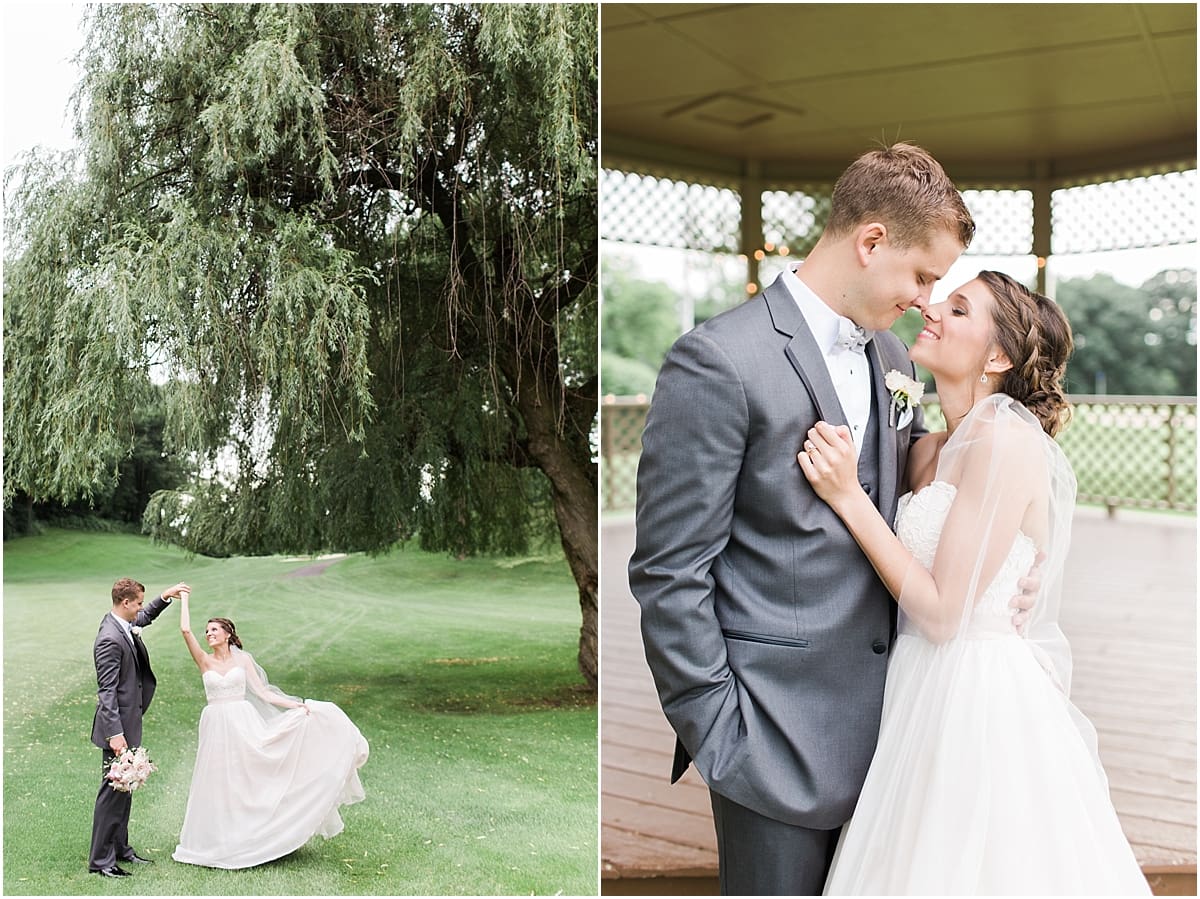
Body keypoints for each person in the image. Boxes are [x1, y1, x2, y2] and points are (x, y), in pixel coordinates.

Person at [628, 143, 1039, 895]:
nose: (924, 300)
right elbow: (668, 570)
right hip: (772, 740)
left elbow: (931, 486)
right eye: (921, 275)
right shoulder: (719, 359)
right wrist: (719, 729)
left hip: (903, 735)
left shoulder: (897, 358)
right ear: (871, 239)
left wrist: (1006, 568)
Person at [802, 271, 1149, 894]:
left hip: (975, 695)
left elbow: (941, 613)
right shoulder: (926, 446)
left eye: (958, 309)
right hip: (911, 681)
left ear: (997, 356)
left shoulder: (1006, 441)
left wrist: (848, 497)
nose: (932, 309)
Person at [172, 590, 369, 869]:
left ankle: (255, 834)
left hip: (242, 722)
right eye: (206, 631)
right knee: (218, 782)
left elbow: (264, 692)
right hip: (216, 725)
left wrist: (296, 706)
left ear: (228, 633)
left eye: (214, 629)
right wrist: (184, 599)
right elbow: (184, 629)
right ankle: (219, 840)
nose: (208, 634)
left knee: (247, 777)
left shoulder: (243, 661)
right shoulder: (205, 661)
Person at [90, 577, 189, 877]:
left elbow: (144, 618)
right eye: (139, 603)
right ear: (125, 603)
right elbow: (106, 692)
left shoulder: (124, 624)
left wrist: (165, 596)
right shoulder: (109, 637)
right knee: (112, 791)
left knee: (126, 787)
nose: (141, 609)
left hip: (129, 722)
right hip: (117, 729)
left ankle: (121, 849)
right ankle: (101, 861)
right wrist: (115, 735)